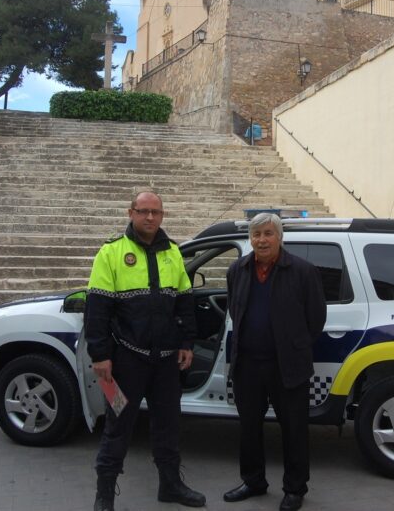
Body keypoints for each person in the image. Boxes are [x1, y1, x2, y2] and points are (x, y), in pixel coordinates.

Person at [84, 190, 206, 511]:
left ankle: (170, 485)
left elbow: (185, 302)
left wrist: (187, 342)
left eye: (156, 212)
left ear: (162, 215)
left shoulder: (173, 253)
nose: (150, 217)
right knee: (117, 426)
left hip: (165, 364)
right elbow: (97, 310)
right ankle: (104, 494)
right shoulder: (111, 252)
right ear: (131, 213)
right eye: (143, 211)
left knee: (168, 425)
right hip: (124, 363)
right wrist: (100, 356)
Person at [222, 213, 327, 511]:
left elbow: (316, 318)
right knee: (249, 428)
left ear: (279, 237)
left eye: (268, 233)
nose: (262, 240)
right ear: (250, 238)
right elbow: (235, 309)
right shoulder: (237, 270)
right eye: (256, 234)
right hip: (248, 365)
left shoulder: (303, 271)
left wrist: (293, 345)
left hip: (287, 366)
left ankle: (295, 489)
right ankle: (253, 481)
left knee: (294, 429)